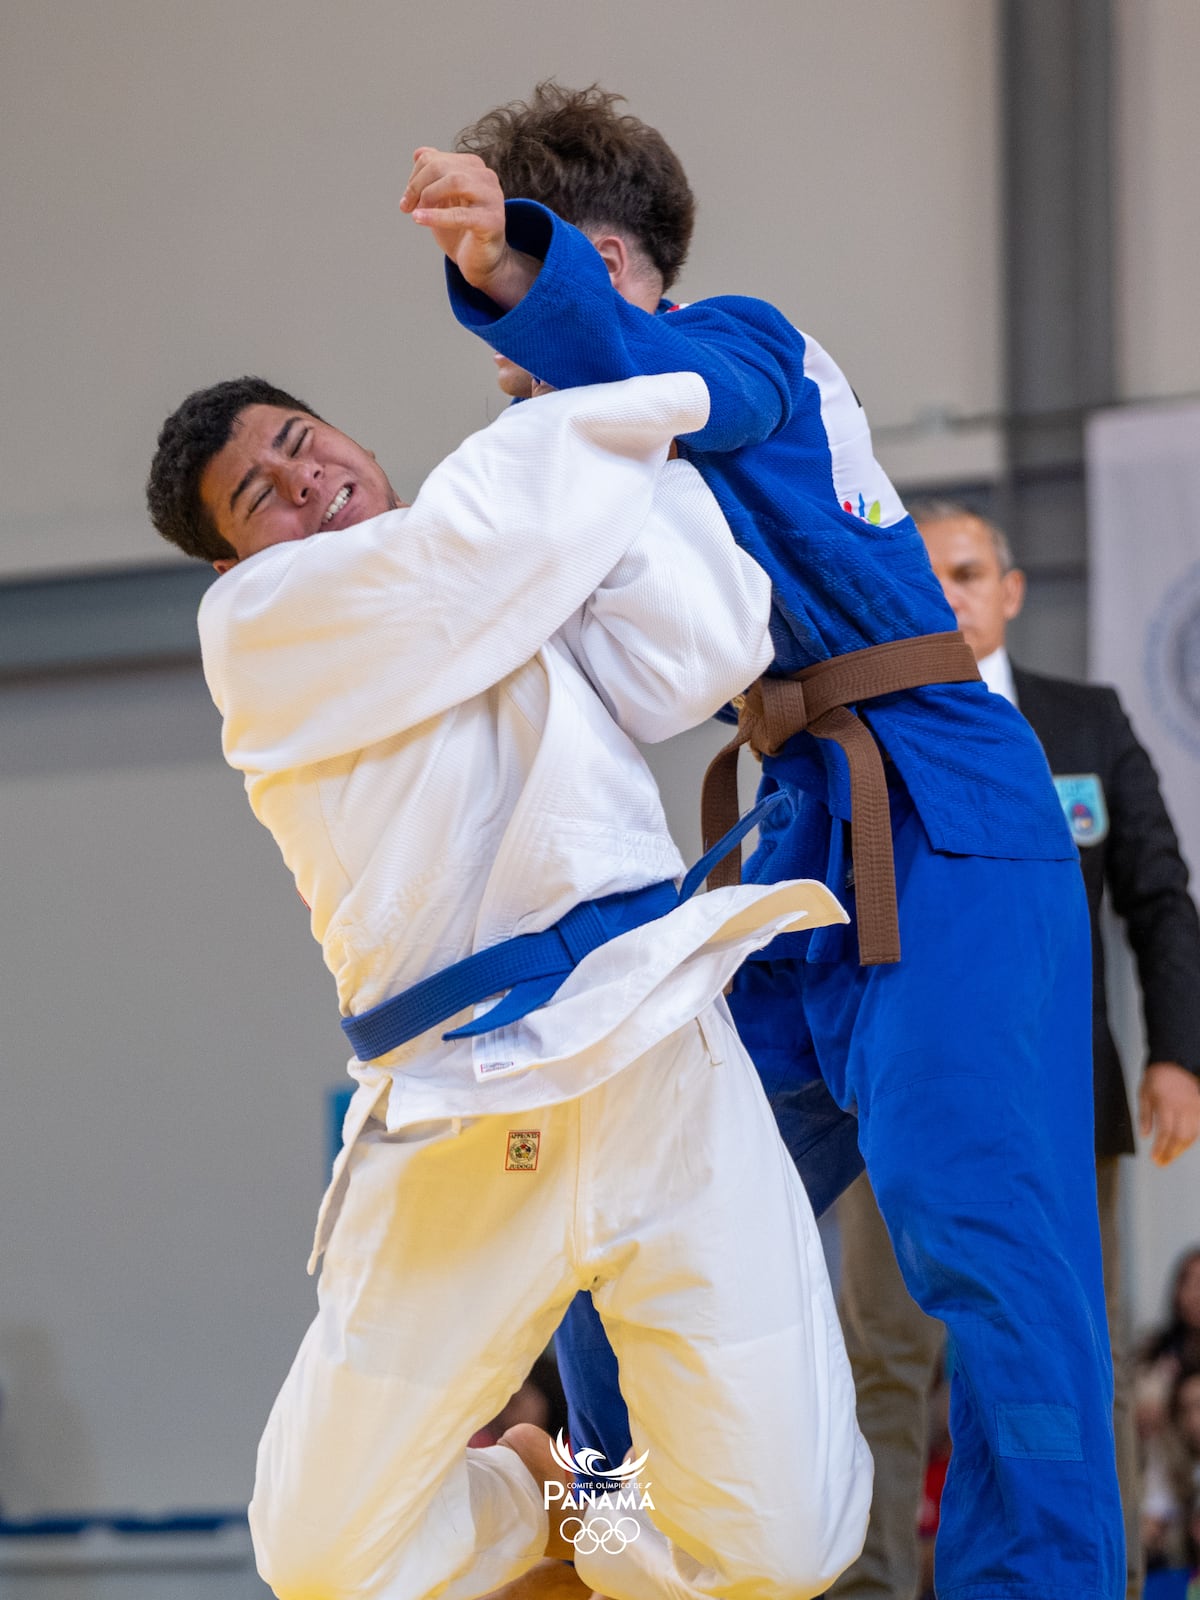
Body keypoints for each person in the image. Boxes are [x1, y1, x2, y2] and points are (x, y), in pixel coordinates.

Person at [401, 81, 1125, 1599]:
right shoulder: (579, 441)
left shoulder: (743, 346)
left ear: (601, 264)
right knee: (624, 1226)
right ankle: (619, 1558)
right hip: (788, 840)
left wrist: (502, 264)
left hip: (940, 805)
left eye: (558, 277)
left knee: (983, 1242)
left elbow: (649, 369)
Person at [145, 370, 872, 1600]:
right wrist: (617, 369)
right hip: (463, 1106)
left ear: (349, 430)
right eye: (259, 494)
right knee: (326, 1559)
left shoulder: (515, 554)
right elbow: (484, 543)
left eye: (302, 440)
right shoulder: (266, 631)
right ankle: (526, 1493)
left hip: (656, 1051)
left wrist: (638, 466)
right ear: (235, 569)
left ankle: (591, 1522)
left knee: (782, 1548)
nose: (306, 480)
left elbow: (704, 651)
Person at [825, 501, 1200, 1600]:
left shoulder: (1083, 725)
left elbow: (1160, 895)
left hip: (1059, 1108)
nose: (948, 593)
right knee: (883, 1359)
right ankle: (871, 1586)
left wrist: (1177, 1053)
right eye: (926, 573)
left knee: (1065, 1359)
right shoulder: (859, 728)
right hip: (894, 1102)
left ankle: (1102, 1578)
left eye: (969, 570)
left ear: (1011, 589)